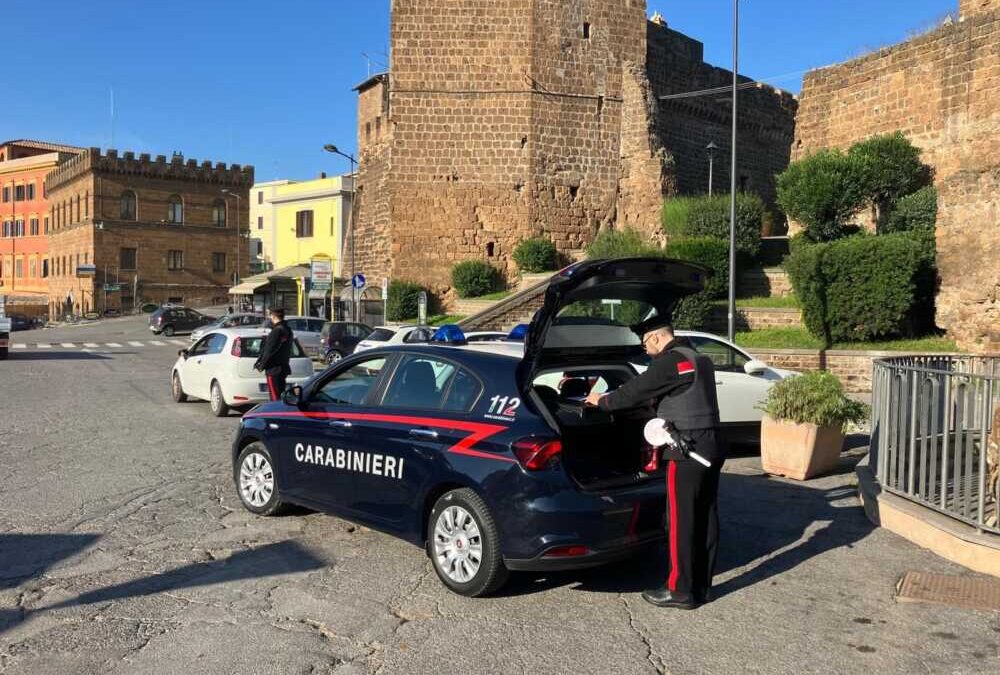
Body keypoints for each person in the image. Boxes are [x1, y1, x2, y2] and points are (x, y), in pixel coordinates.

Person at [585, 315, 725, 609]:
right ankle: (701, 586)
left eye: (646, 343)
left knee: (681, 521)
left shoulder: (668, 362)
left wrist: (601, 401)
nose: (645, 349)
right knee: (705, 516)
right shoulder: (698, 359)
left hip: (685, 451)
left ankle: (679, 590)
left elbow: (630, 394)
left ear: (658, 338)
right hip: (711, 446)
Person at [255, 307, 294, 401]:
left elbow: (269, 351)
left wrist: (261, 365)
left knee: (275, 398)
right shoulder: (287, 330)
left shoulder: (276, 331)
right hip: (282, 367)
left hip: (274, 369)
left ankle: (277, 415)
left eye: (270, 315)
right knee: (280, 397)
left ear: (273, 316)